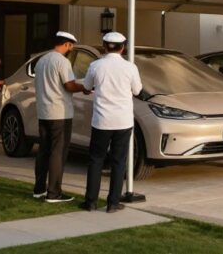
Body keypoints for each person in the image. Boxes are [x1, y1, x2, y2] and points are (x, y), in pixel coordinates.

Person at [80, 31, 142, 213]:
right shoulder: (131, 68)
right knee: (118, 161)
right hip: (123, 121)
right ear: (123, 48)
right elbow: (137, 91)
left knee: (96, 160)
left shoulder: (95, 65)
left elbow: (86, 87)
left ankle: (90, 201)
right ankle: (113, 203)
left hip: (101, 120)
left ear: (104, 47)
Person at [33, 31, 86, 203]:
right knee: (58, 152)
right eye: (71, 46)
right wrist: (84, 88)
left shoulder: (42, 60)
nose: (71, 49)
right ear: (67, 44)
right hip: (59, 113)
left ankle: (39, 189)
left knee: (43, 151)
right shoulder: (62, 61)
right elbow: (69, 85)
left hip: (43, 111)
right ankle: (54, 193)